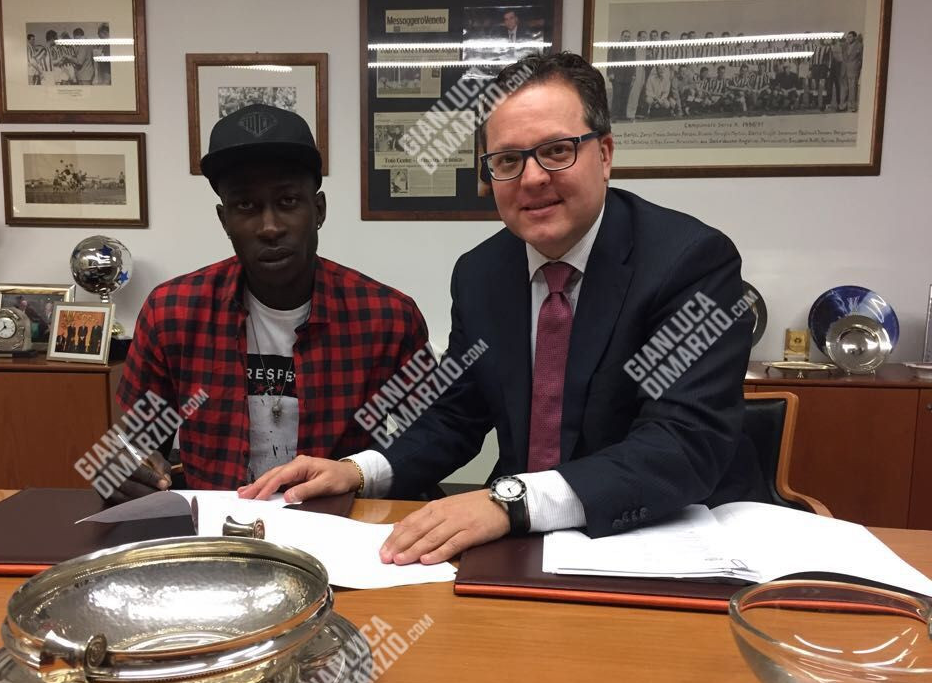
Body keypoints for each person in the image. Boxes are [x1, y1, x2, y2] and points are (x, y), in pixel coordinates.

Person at [241, 52, 759, 566]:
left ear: (604, 154)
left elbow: (682, 442)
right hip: (522, 542)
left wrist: (509, 502)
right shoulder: (481, 274)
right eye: (508, 160)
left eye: (556, 151)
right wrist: (358, 471)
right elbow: (456, 413)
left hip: (666, 538)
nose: (532, 178)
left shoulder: (690, 262)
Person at [112, 103, 428, 501]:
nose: (270, 227)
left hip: (341, 521)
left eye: (288, 201)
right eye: (246, 206)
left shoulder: (389, 318)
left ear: (319, 210)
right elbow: (134, 445)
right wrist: (123, 469)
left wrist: (362, 474)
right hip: (217, 527)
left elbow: (431, 439)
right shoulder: (171, 312)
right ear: (224, 220)